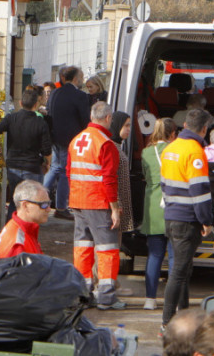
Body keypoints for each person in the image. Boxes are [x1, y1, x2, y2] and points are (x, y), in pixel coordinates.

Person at [161, 109, 214, 328]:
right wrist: (207, 220)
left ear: (185, 125)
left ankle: (182, 315)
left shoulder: (170, 148)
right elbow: (200, 191)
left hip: (171, 215)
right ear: (204, 129)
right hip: (187, 219)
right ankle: (167, 322)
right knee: (178, 272)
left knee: (182, 269)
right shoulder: (195, 152)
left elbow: (165, 184)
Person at [68, 101, 125, 309]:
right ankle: (106, 297)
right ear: (108, 118)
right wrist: (114, 208)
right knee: (107, 248)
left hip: (78, 201)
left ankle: (83, 294)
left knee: (82, 246)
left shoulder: (76, 140)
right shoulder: (105, 143)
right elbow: (109, 179)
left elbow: (69, 172)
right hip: (98, 202)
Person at [0, 89, 52, 220]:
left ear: (20, 103)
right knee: (33, 204)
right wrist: (47, 164)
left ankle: (11, 231)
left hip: (14, 167)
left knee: (15, 201)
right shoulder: (41, 123)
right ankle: (28, 234)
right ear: (36, 104)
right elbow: (47, 150)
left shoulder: (12, 118)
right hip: (33, 167)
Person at [45, 65, 91, 219]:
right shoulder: (80, 96)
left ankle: (40, 200)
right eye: (81, 77)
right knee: (65, 171)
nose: (82, 80)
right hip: (71, 140)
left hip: (55, 137)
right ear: (76, 78)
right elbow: (85, 119)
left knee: (55, 168)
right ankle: (61, 207)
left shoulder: (55, 93)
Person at [142, 117, 178, 310]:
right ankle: (174, 302)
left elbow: (146, 176)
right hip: (174, 205)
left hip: (154, 205)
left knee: (154, 255)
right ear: (173, 133)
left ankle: (150, 299)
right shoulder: (176, 150)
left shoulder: (146, 152)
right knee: (174, 257)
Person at [0, 180, 51, 258]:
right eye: (43, 205)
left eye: (49, 203)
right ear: (25, 205)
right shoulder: (18, 244)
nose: (49, 209)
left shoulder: (19, 228)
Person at [110, 111, 135, 233]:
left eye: (130, 125)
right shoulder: (112, 147)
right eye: (126, 125)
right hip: (115, 203)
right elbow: (111, 177)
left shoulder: (117, 145)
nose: (129, 129)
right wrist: (117, 204)